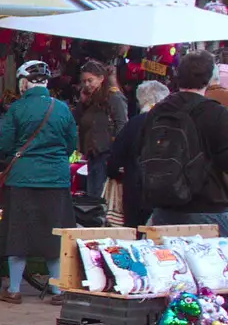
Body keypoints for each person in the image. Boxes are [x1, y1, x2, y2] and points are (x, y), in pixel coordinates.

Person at [0, 59, 77, 304]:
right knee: (54, 232)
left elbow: (4, 145)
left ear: (23, 82)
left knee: (18, 232)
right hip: (57, 179)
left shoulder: (17, 109)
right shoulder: (62, 109)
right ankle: (57, 290)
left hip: (23, 178)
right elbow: (71, 144)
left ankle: (14, 289)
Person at [137, 49, 228, 235]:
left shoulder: (157, 111)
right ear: (210, 79)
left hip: (164, 208)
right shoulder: (217, 114)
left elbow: (142, 150)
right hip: (207, 209)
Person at [107, 80, 168, 228]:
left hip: (135, 190)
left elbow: (114, 160)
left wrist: (117, 174)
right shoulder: (171, 123)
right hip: (164, 191)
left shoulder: (133, 124)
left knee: (133, 233)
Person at [75, 59, 128, 200]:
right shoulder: (89, 99)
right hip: (93, 154)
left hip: (106, 154)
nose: (87, 84)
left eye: (90, 80)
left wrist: (116, 154)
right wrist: (82, 102)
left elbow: (121, 125)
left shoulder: (114, 97)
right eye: (84, 81)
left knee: (100, 195)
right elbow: (76, 119)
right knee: (93, 194)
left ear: (101, 78)